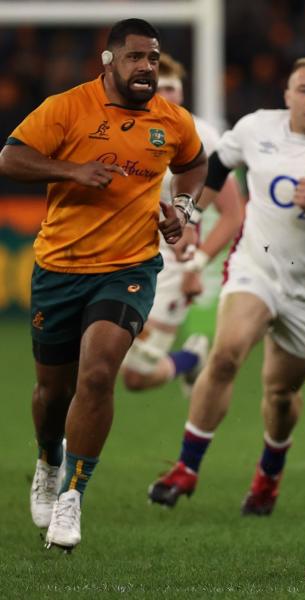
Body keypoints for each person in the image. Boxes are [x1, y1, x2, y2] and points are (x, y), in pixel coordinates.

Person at [147, 56, 305, 516]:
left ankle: (268, 475)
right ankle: (186, 467)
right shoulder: (257, 128)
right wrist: (191, 215)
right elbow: (215, 164)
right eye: (304, 89)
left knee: (280, 393)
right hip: (253, 269)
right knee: (225, 355)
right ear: (287, 95)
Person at [0, 18, 206, 551]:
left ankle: (71, 495)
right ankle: (48, 458)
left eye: (154, 58)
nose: (147, 68)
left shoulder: (172, 120)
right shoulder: (66, 108)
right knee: (53, 392)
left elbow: (196, 162)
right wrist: (71, 172)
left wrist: (181, 208)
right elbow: (11, 158)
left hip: (129, 268)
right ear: (109, 61)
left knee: (97, 375)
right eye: (136, 57)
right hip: (60, 267)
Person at [119, 52, 244, 395]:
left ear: (183, 93)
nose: (168, 96)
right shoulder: (124, 127)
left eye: (174, 88)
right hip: (121, 255)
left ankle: (191, 360)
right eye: (161, 88)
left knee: (137, 374)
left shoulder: (201, 135)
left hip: (170, 264)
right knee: (96, 352)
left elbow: (232, 214)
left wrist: (195, 266)